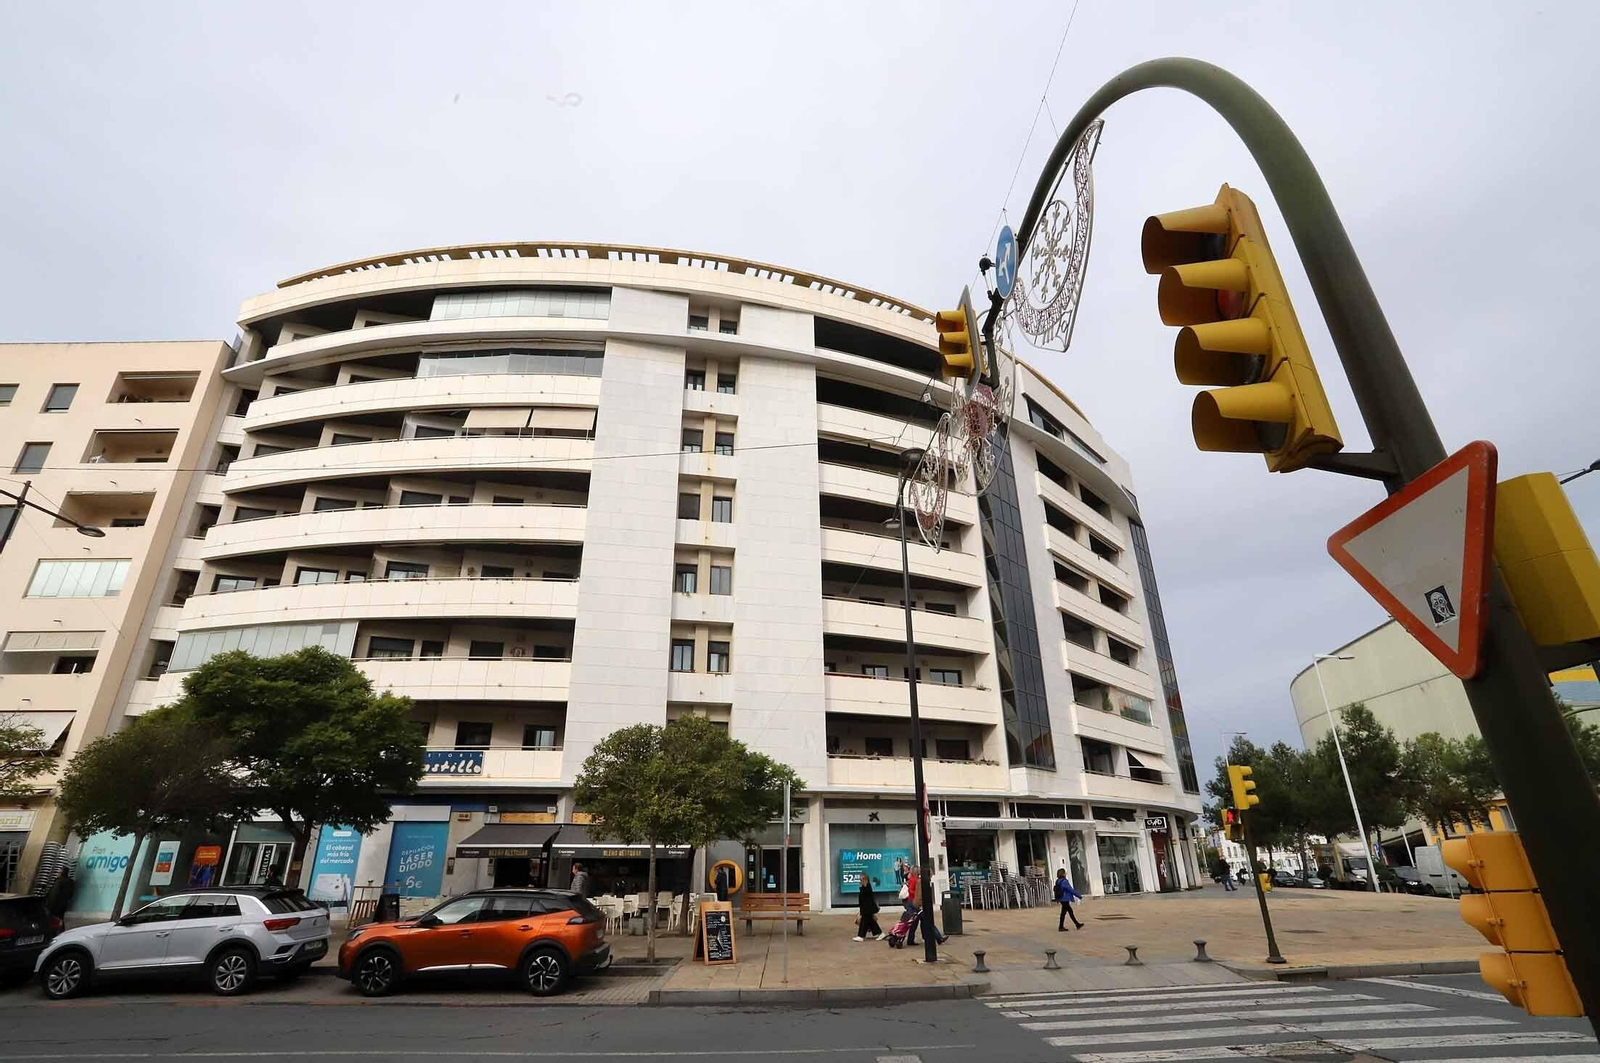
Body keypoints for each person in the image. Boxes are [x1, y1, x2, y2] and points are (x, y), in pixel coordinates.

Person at [902, 864, 947, 947]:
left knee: (915, 922)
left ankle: (913, 939)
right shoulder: (916, 881)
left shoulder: (913, 879)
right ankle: (938, 937)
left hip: (912, 902)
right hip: (915, 903)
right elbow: (913, 891)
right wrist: (917, 896)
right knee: (927, 920)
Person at [854, 873, 882, 941]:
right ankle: (880, 933)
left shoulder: (867, 888)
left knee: (864, 922)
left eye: (861, 879)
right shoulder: (864, 888)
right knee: (871, 922)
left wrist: (862, 911)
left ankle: (860, 936)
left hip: (867, 909)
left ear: (864, 880)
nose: (860, 881)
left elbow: (867, 900)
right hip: (866, 909)